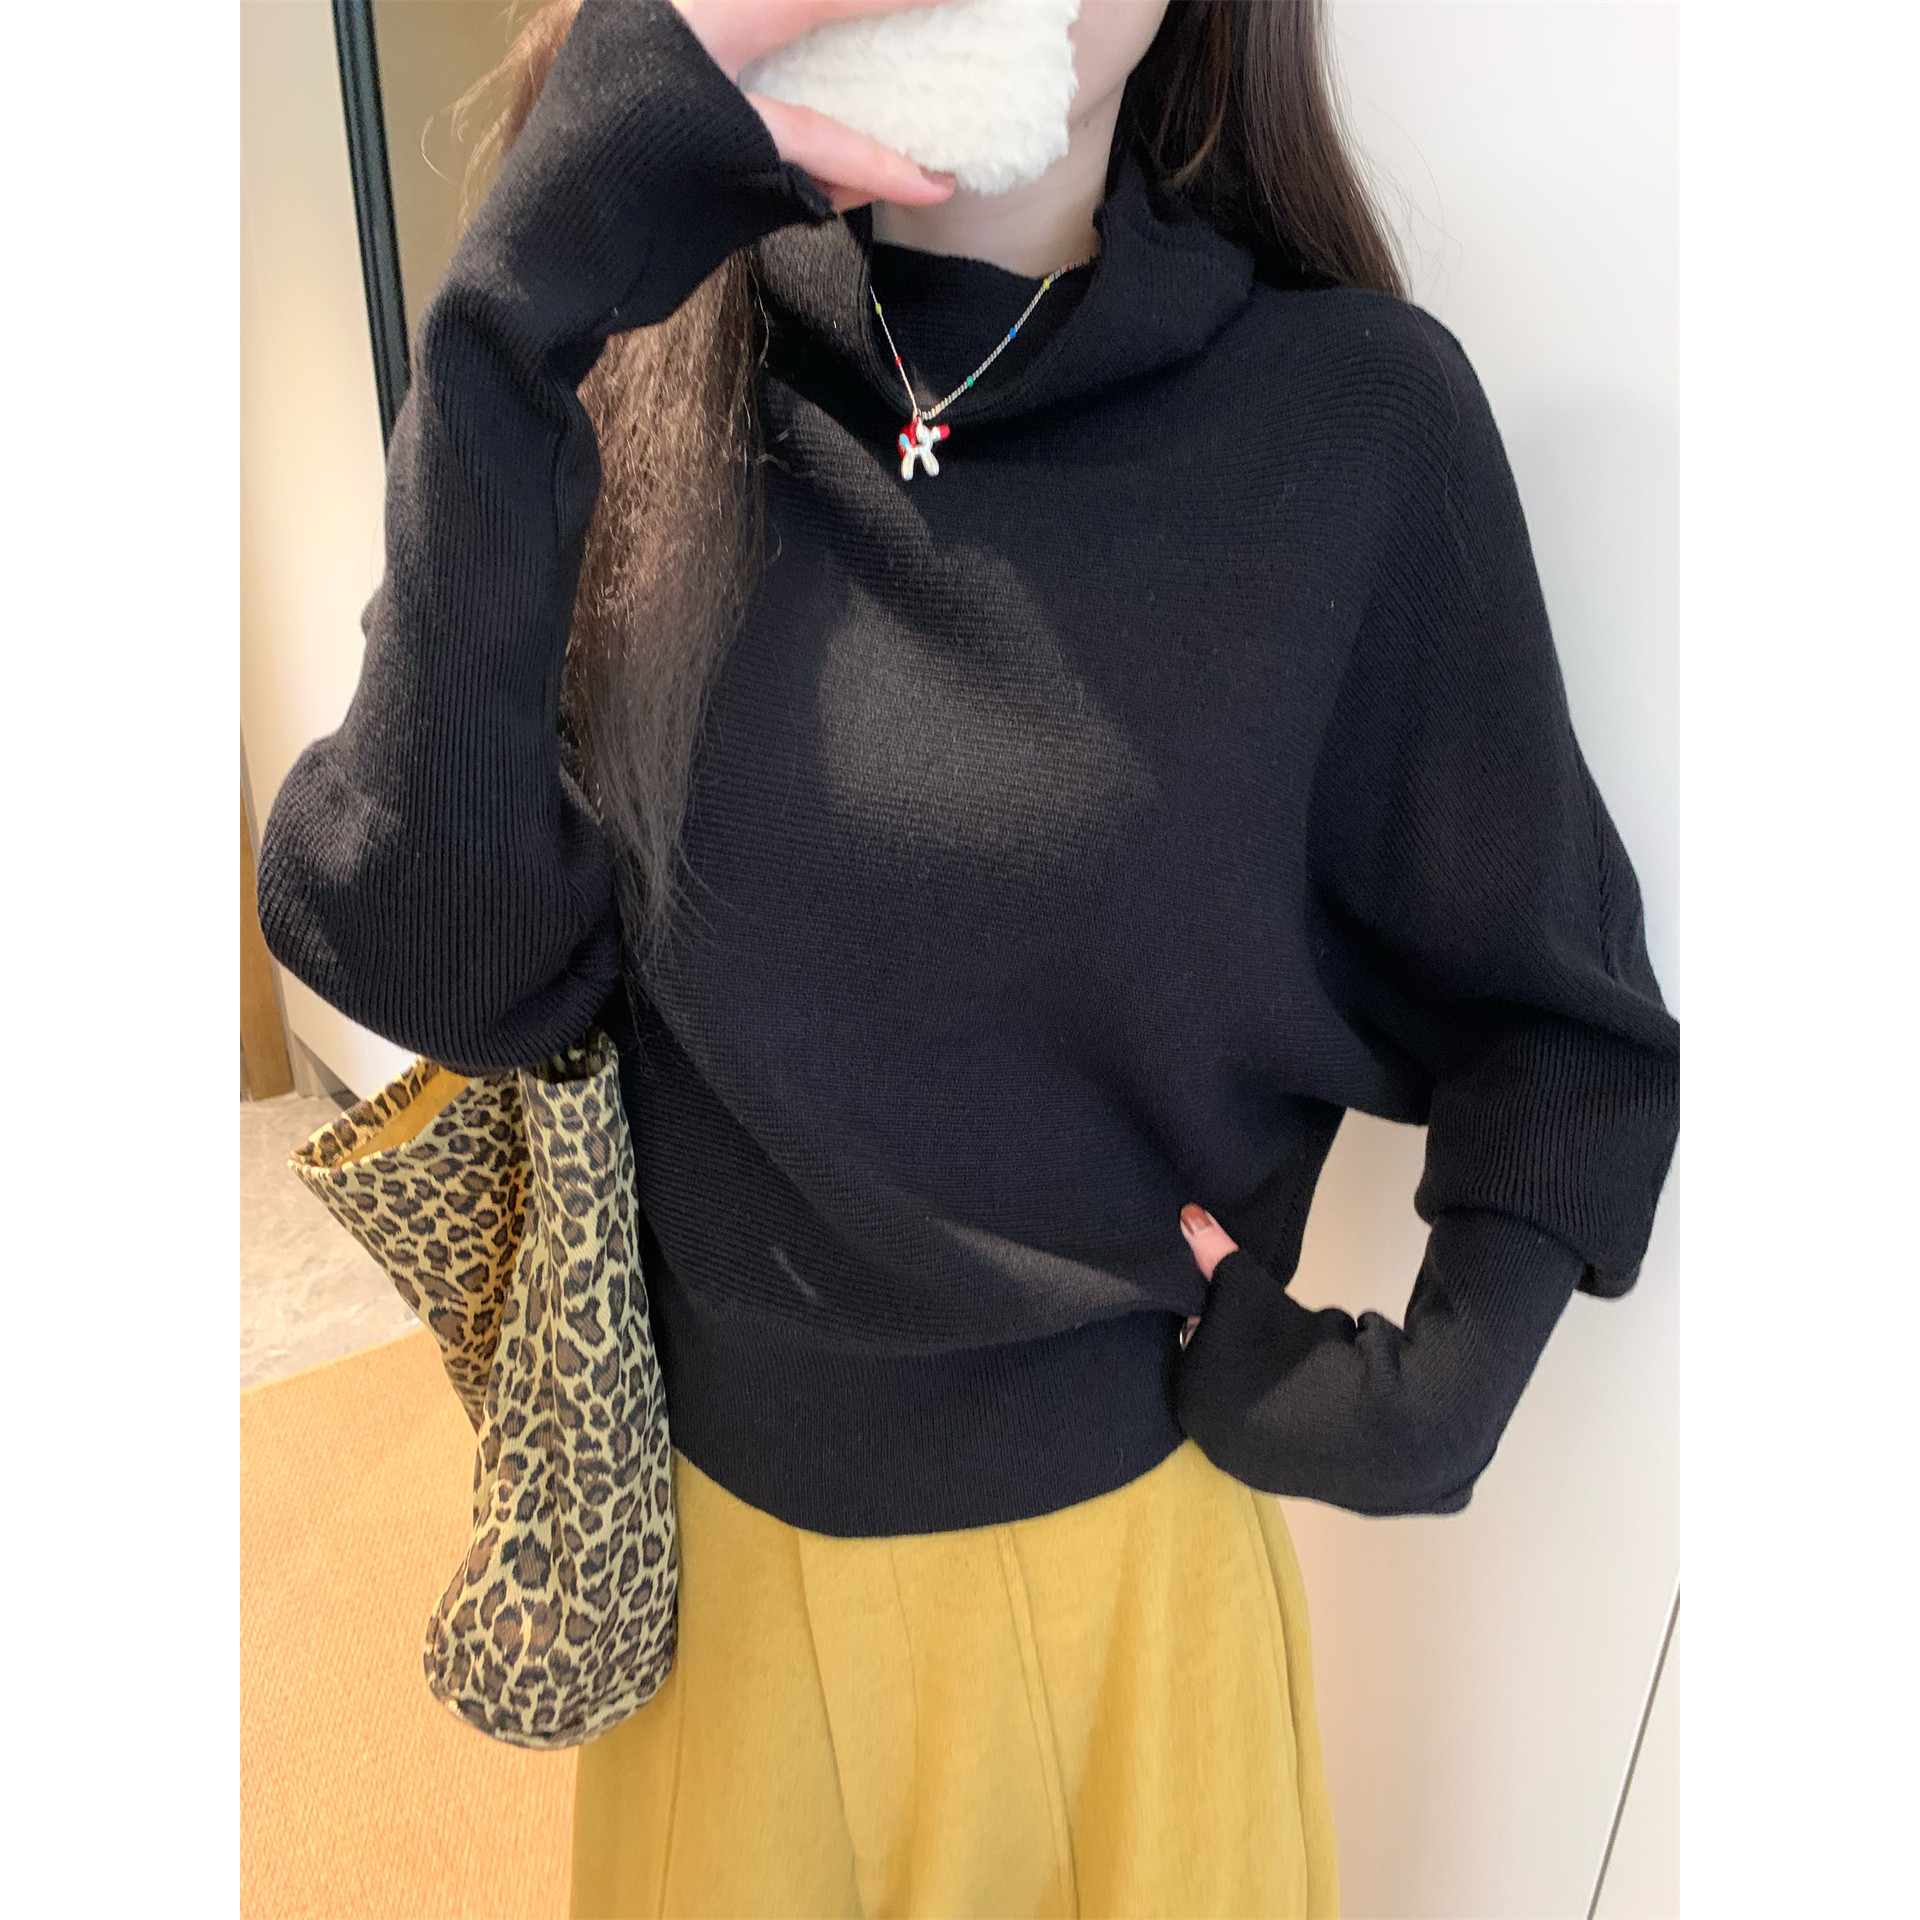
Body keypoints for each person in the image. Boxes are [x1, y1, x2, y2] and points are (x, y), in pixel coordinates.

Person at [257, 0, 1680, 1912]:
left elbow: (1561, 1019)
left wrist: (1437, 1394)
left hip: (1127, 1618)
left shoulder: (1356, 425)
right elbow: (428, 952)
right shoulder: (640, 369)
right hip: (725, 1606)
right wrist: (512, 303)